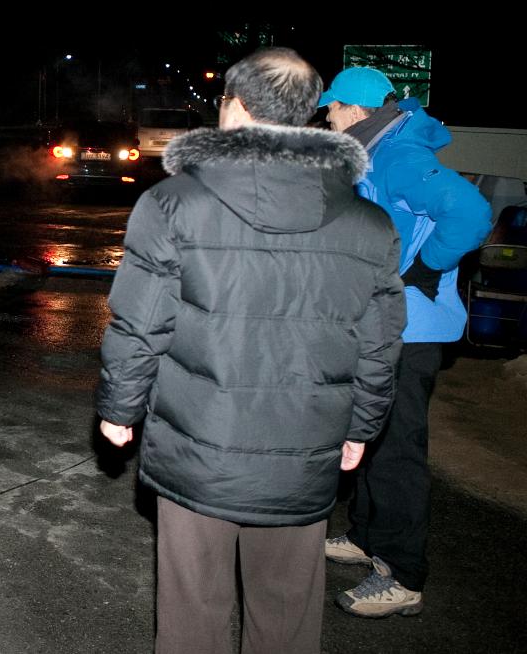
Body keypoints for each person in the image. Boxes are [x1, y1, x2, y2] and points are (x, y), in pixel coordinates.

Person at [95, 47, 405, 654]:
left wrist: (119, 407)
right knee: (287, 610)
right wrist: (362, 426)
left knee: (193, 612)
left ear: (232, 107)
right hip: (307, 443)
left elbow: (140, 320)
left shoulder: (173, 203)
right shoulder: (369, 223)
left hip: (197, 441)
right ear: (309, 114)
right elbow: (379, 342)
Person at [319, 66, 493, 618]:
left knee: (396, 449)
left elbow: (470, 211)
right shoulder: (380, 149)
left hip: (410, 328)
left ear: (354, 108)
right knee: (369, 429)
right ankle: (369, 538)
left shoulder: (398, 155)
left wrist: (427, 268)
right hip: (382, 322)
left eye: (332, 107)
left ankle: (403, 575)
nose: (326, 115)